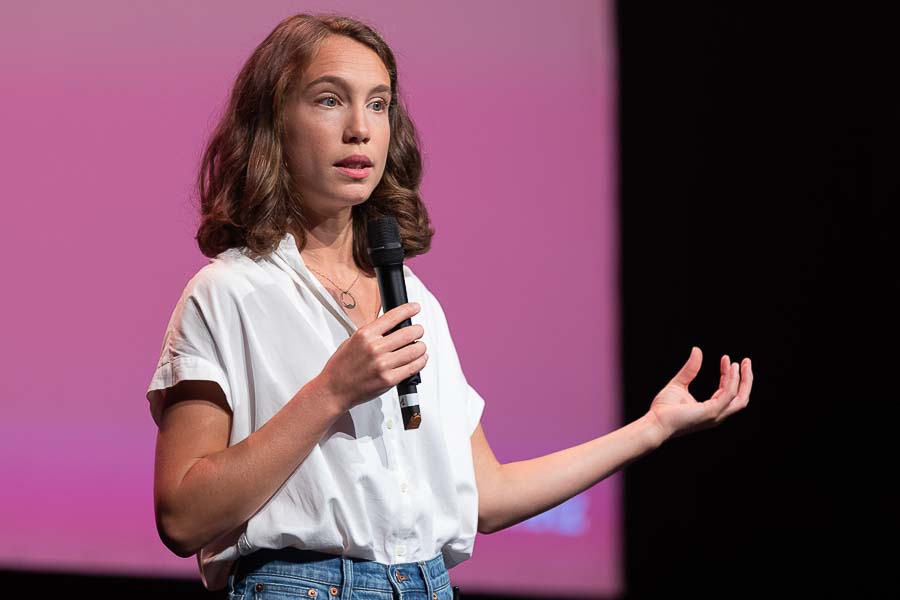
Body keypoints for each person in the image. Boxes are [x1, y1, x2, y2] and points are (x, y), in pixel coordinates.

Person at [146, 12, 753, 599]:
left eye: (378, 104)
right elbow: (183, 516)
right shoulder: (229, 293)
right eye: (329, 100)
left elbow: (486, 495)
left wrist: (651, 430)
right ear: (273, 124)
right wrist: (330, 392)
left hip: (425, 584)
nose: (360, 127)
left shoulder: (411, 299)